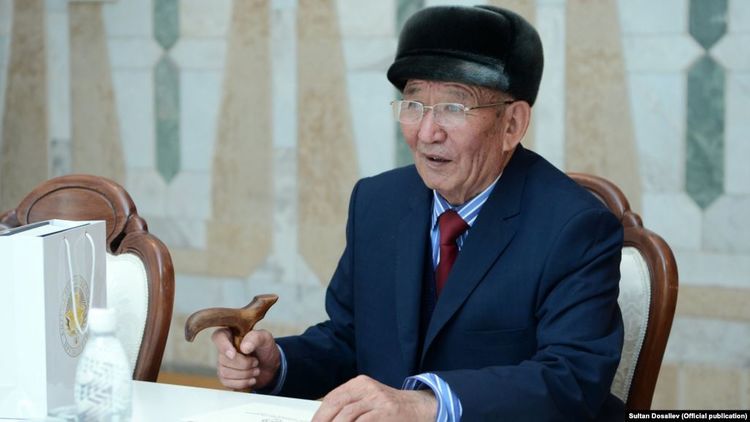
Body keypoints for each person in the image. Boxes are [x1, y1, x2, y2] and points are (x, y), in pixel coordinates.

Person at [212, 5, 625, 421]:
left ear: (512, 125)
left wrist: (428, 405)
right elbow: (350, 338)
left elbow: (571, 378)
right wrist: (278, 364)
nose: (427, 133)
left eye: (453, 108)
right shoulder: (377, 202)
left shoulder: (576, 228)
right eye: (413, 104)